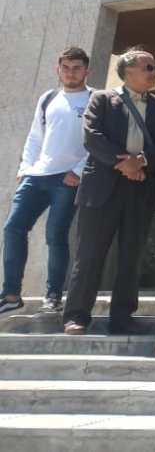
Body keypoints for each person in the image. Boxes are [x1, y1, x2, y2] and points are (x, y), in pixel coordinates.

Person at [62, 48, 155, 335]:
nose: (153, 72)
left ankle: (122, 317)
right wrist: (123, 163)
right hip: (102, 188)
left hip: (141, 188)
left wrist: (141, 162)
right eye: (148, 67)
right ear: (128, 71)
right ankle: (76, 316)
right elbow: (92, 136)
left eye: (154, 67)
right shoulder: (102, 99)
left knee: (131, 255)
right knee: (89, 254)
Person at [1, 47, 92, 316]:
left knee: (55, 235)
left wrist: (79, 170)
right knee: (13, 228)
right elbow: (35, 136)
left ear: (86, 70)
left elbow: (97, 140)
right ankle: (11, 295)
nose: (70, 72)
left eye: (76, 67)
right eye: (66, 67)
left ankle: (53, 296)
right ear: (58, 69)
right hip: (36, 176)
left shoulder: (95, 98)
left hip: (68, 179)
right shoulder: (48, 98)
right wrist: (25, 168)